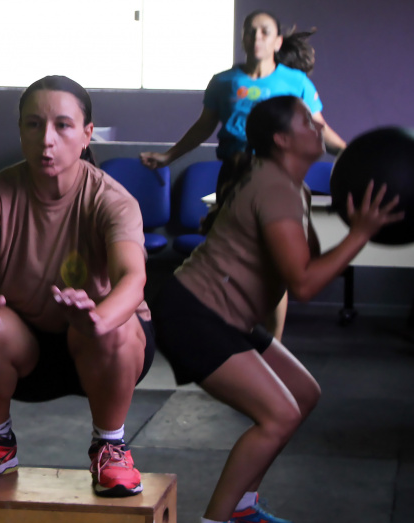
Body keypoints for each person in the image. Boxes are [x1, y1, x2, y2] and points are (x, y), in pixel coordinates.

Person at [152, 95, 402, 523]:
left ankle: (243, 507)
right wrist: (361, 234)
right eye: (308, 122)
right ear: (284, 139)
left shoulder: (292, 187)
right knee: (279, 415)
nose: (318, 127)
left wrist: (352, 220)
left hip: (224, 312)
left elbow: (308, 263)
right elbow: (304, 285)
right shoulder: (275, 188)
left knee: (303, 394)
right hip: (194, 312)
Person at [0, 75, 155, 497]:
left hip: (100, 348)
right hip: (26, 348)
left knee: (118, 327)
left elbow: (133, 279)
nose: (46, 139)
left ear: (87, 135)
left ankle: (111, 445)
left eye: (62, 125)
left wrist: (97, 318)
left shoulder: (112, 200)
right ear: (20, 131)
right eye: (33, 125)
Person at [141, 10, 347, 342]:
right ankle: (240, 336)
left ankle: (273, 345)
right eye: (250, 31)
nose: (256, 37)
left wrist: (351, 153)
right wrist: (168, 156)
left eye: (265, 31)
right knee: (237, 259)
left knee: (276, 261)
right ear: (242, 39)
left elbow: (321, 131)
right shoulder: (224, 82)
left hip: (281, 180)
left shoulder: (295, 83)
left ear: (278, 41)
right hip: (235, 176)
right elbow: (203, 128)